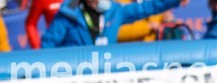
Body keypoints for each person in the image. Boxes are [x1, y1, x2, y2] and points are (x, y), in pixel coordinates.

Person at [41, 0, 186, 47]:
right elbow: (48, 44)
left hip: (106, 78)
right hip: (75, 78)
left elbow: (146, 8)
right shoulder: (69, 14)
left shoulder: (114, 11)